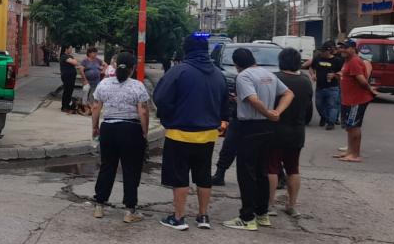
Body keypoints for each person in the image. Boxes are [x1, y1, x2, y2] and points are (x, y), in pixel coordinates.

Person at [153, 34, 230, 231]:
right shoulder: (218, 74)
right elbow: (225, 104)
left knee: (180, 177)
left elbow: (160, 98)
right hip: (207, 135)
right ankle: (203, 216)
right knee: (203, 176)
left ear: (186, 50)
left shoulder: (179, 71)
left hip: (179, 134)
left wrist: (167, 117)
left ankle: (178, 218)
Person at [222, 48, 294, 231]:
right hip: (268, 129)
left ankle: (247, 217)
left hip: (250, 127)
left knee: (246, 172)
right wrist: (276, 112)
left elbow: (253, 100)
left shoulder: (244, 76)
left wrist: (268, 113)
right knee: (262, 170)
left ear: (237, 64)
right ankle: (262, 214)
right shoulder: (267, 74)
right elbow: (288, 94)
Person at [91, 52, 150, 223]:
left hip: (108, 128)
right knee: (131, 169)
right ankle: (130, 210)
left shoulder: (104, 84)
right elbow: (143, 111)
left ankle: (99, 205)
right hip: (131, 130)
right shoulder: (137, 86)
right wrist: (145, 132)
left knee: (107, 166)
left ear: (115, 65)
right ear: (133, 69)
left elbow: (96, 107)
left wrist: (95, 127)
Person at [269, 48, 313, 218]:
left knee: (271, 168)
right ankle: (292, 205)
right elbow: (308, 103)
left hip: (275, 129)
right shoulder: (305, 81)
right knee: (293, 168)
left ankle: (269, 204)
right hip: (297, 130)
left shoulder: (275, 78)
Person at [334, 39, 377, 163]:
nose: (342, 50)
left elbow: (362, 81)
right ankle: (350, 151)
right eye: (341, 47)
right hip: (348, 99)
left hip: (356, 100)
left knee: (354, 126)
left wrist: (370, 89)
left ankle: (355, 155)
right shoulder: (347, 61)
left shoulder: (354, 61)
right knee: (349, 126)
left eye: (345, 48)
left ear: (353, 48)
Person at [309, 41, 343, 130]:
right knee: (319, 105)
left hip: (332, 87)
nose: (322, 53)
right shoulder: (317, 58)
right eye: (321, 51)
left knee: (332, 105)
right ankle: (324, 117)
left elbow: (343, 72)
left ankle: (331, 123)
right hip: (320, 87)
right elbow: (311, 67)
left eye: (324, 51)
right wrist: (312, 75)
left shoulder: (337, 60)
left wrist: (335, 75)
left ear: (329, 51)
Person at [60, 45, 79, 113]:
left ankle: (67, 105)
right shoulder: (64, 56)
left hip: (71, 76)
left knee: (70, 91)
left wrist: (73, 60)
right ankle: (64, 106)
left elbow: (75, 62)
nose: (71, 50)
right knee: (67, 91)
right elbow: (75, 62)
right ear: (66, 49)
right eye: (70, 48)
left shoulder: (70, 56)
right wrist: (74, 60)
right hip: (67, 76)